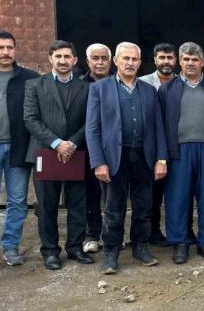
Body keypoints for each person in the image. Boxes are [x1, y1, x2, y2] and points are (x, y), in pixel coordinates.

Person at [85, 42, 168, 274]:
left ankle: (140, 248)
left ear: (140, 63)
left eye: (134, 60)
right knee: (113, 208)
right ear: (116, 62)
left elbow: (158, 127)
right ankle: (111, 252)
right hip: (114, 158)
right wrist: (98, 162)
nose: (130, 63)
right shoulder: (99, 89)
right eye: (126, 59)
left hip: (144, 156)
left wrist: (161, 158)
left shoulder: (149, 91)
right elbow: (92, 129)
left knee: (144, 206)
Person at [24, 40, 93, 269]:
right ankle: (50, 251)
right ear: (50, 59)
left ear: (74, 60)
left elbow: (90, 120)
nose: (63, 61)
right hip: (45, 152)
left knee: (77, 204)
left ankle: (75, 247)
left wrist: (72, 142)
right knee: (47, 205)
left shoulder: (87, 88)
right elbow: (30, 119)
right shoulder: (34, 85)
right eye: (58, 56)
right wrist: (56, 143)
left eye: (67, 57)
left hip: (76, 152)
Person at [157, 42, 204, 264]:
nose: (190, 63)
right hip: (179, 151)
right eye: (186, 59)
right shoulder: (167, 89)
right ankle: (180, 243)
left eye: (195, 60)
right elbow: (160, 125)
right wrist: (163, 156)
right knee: (177, 198)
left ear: (202, 62)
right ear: (179, 61)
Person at [0, 30, 38, 272]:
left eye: (9, 47)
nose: (6, 52)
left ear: (15, 50)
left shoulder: (29, 79)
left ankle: (11, 247)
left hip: (19, 147)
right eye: (0, 48)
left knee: (17, 200)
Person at [139, 43, 181, 248]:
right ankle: (148, 233)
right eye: (162, 57)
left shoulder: (181, 83)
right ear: (155, 60)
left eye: (170, 57)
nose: (166, 61)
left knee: (176, 192)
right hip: (150, 147)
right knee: (150, 194)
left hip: (177, 146)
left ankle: (179, 230)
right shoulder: (143, 84)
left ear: (176, 60)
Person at [80, 43, 113, 254]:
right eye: (95, 58)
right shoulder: (79, 85)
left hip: (112, 148)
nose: (100, 62)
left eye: (104, 58)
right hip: (85, 146)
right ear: (87, 61)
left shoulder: (120, 84)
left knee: (112, 195)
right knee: (88, 193)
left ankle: (112, 236)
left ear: (111, 61)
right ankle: (92, 234)